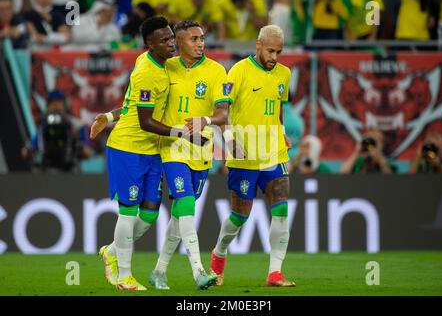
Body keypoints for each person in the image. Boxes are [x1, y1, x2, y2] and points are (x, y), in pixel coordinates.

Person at [91, 16, 193, 292]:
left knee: (149, 215)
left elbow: (129, 102)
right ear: (150, 44)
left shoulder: (155, 62)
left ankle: (111, 251)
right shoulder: (146, 71)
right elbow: (146, 120)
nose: (172, 44)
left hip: (151, 150)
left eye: (172, 38)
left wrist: (110, 115)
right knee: (128, 212)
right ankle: (124, 276)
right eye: (165, 41)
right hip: (128, 149)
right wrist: (180, 133)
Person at [208, 24, 295, 287]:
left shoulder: (284, 74)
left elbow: (279, 107)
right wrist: (230, 142)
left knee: (280, 209)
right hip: (244, 155)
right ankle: (218, 255)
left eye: (279, 52)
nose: (274, 57)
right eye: (270, 51)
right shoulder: (238, 71)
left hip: (273, 153)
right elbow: (222, 113)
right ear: (258, 45)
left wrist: (282, 132)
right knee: (239, 217)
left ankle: (275, 273)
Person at [149, 20, 230, 290]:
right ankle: (198, 271)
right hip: (172, 148)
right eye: (194, 39)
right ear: (179, 42)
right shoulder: (165, 67)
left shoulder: (216, 71)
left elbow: (223, 113)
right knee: (185, 206)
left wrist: (206, 120)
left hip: (201, 149)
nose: (200, 43)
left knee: (178, 216)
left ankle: (159, 271)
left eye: (202, 38)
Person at [21, 90, 93, 172]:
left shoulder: (76, 125)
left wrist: (76, 142)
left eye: (58, 102)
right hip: (47, 169)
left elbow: (88, 153)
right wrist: (28, 149)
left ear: (65, 105)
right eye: (52, 102)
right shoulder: (42, 126)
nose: (55, 105)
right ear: (48, 105)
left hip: (70, 169)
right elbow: (29, 150)